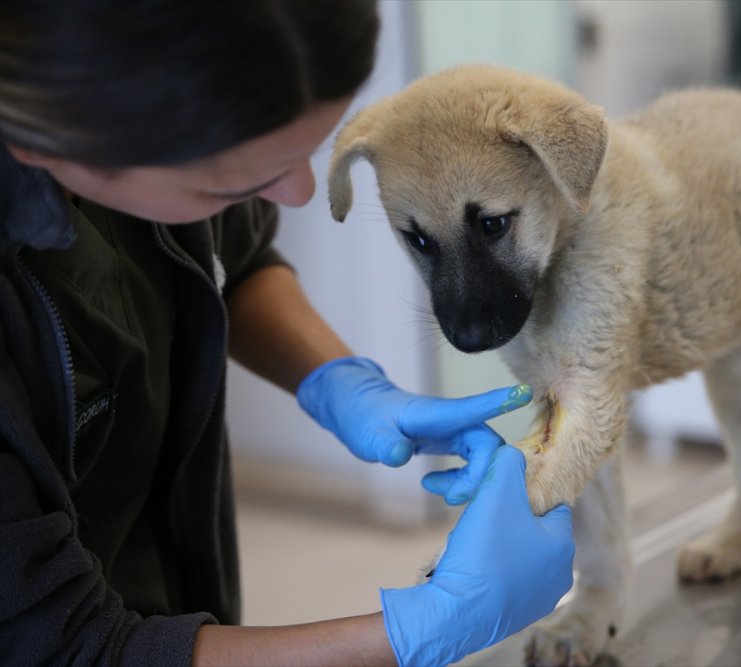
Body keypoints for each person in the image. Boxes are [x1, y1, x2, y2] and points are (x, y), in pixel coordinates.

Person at [0, 1, 575, 665]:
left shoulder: (159, 124)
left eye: (306, 152)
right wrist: (423, 626)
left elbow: (232, 263)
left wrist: (340, 383)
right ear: (44, 143)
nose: (300, 193)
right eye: (238, 182)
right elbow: (71, 648)